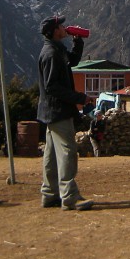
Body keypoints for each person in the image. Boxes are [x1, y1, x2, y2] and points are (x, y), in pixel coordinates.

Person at [38, 15, 94, 211]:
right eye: (60, 25)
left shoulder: (55, 50)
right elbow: (52, 86)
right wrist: (79, 98)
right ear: (55, 31)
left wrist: (78, 42)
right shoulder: (51, 54)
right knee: (68, 151)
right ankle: (69, 196)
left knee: (52, 154)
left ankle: (49, 193)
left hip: (51, 111)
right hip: (58, 110)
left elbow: (72, 61)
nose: (64, 27)